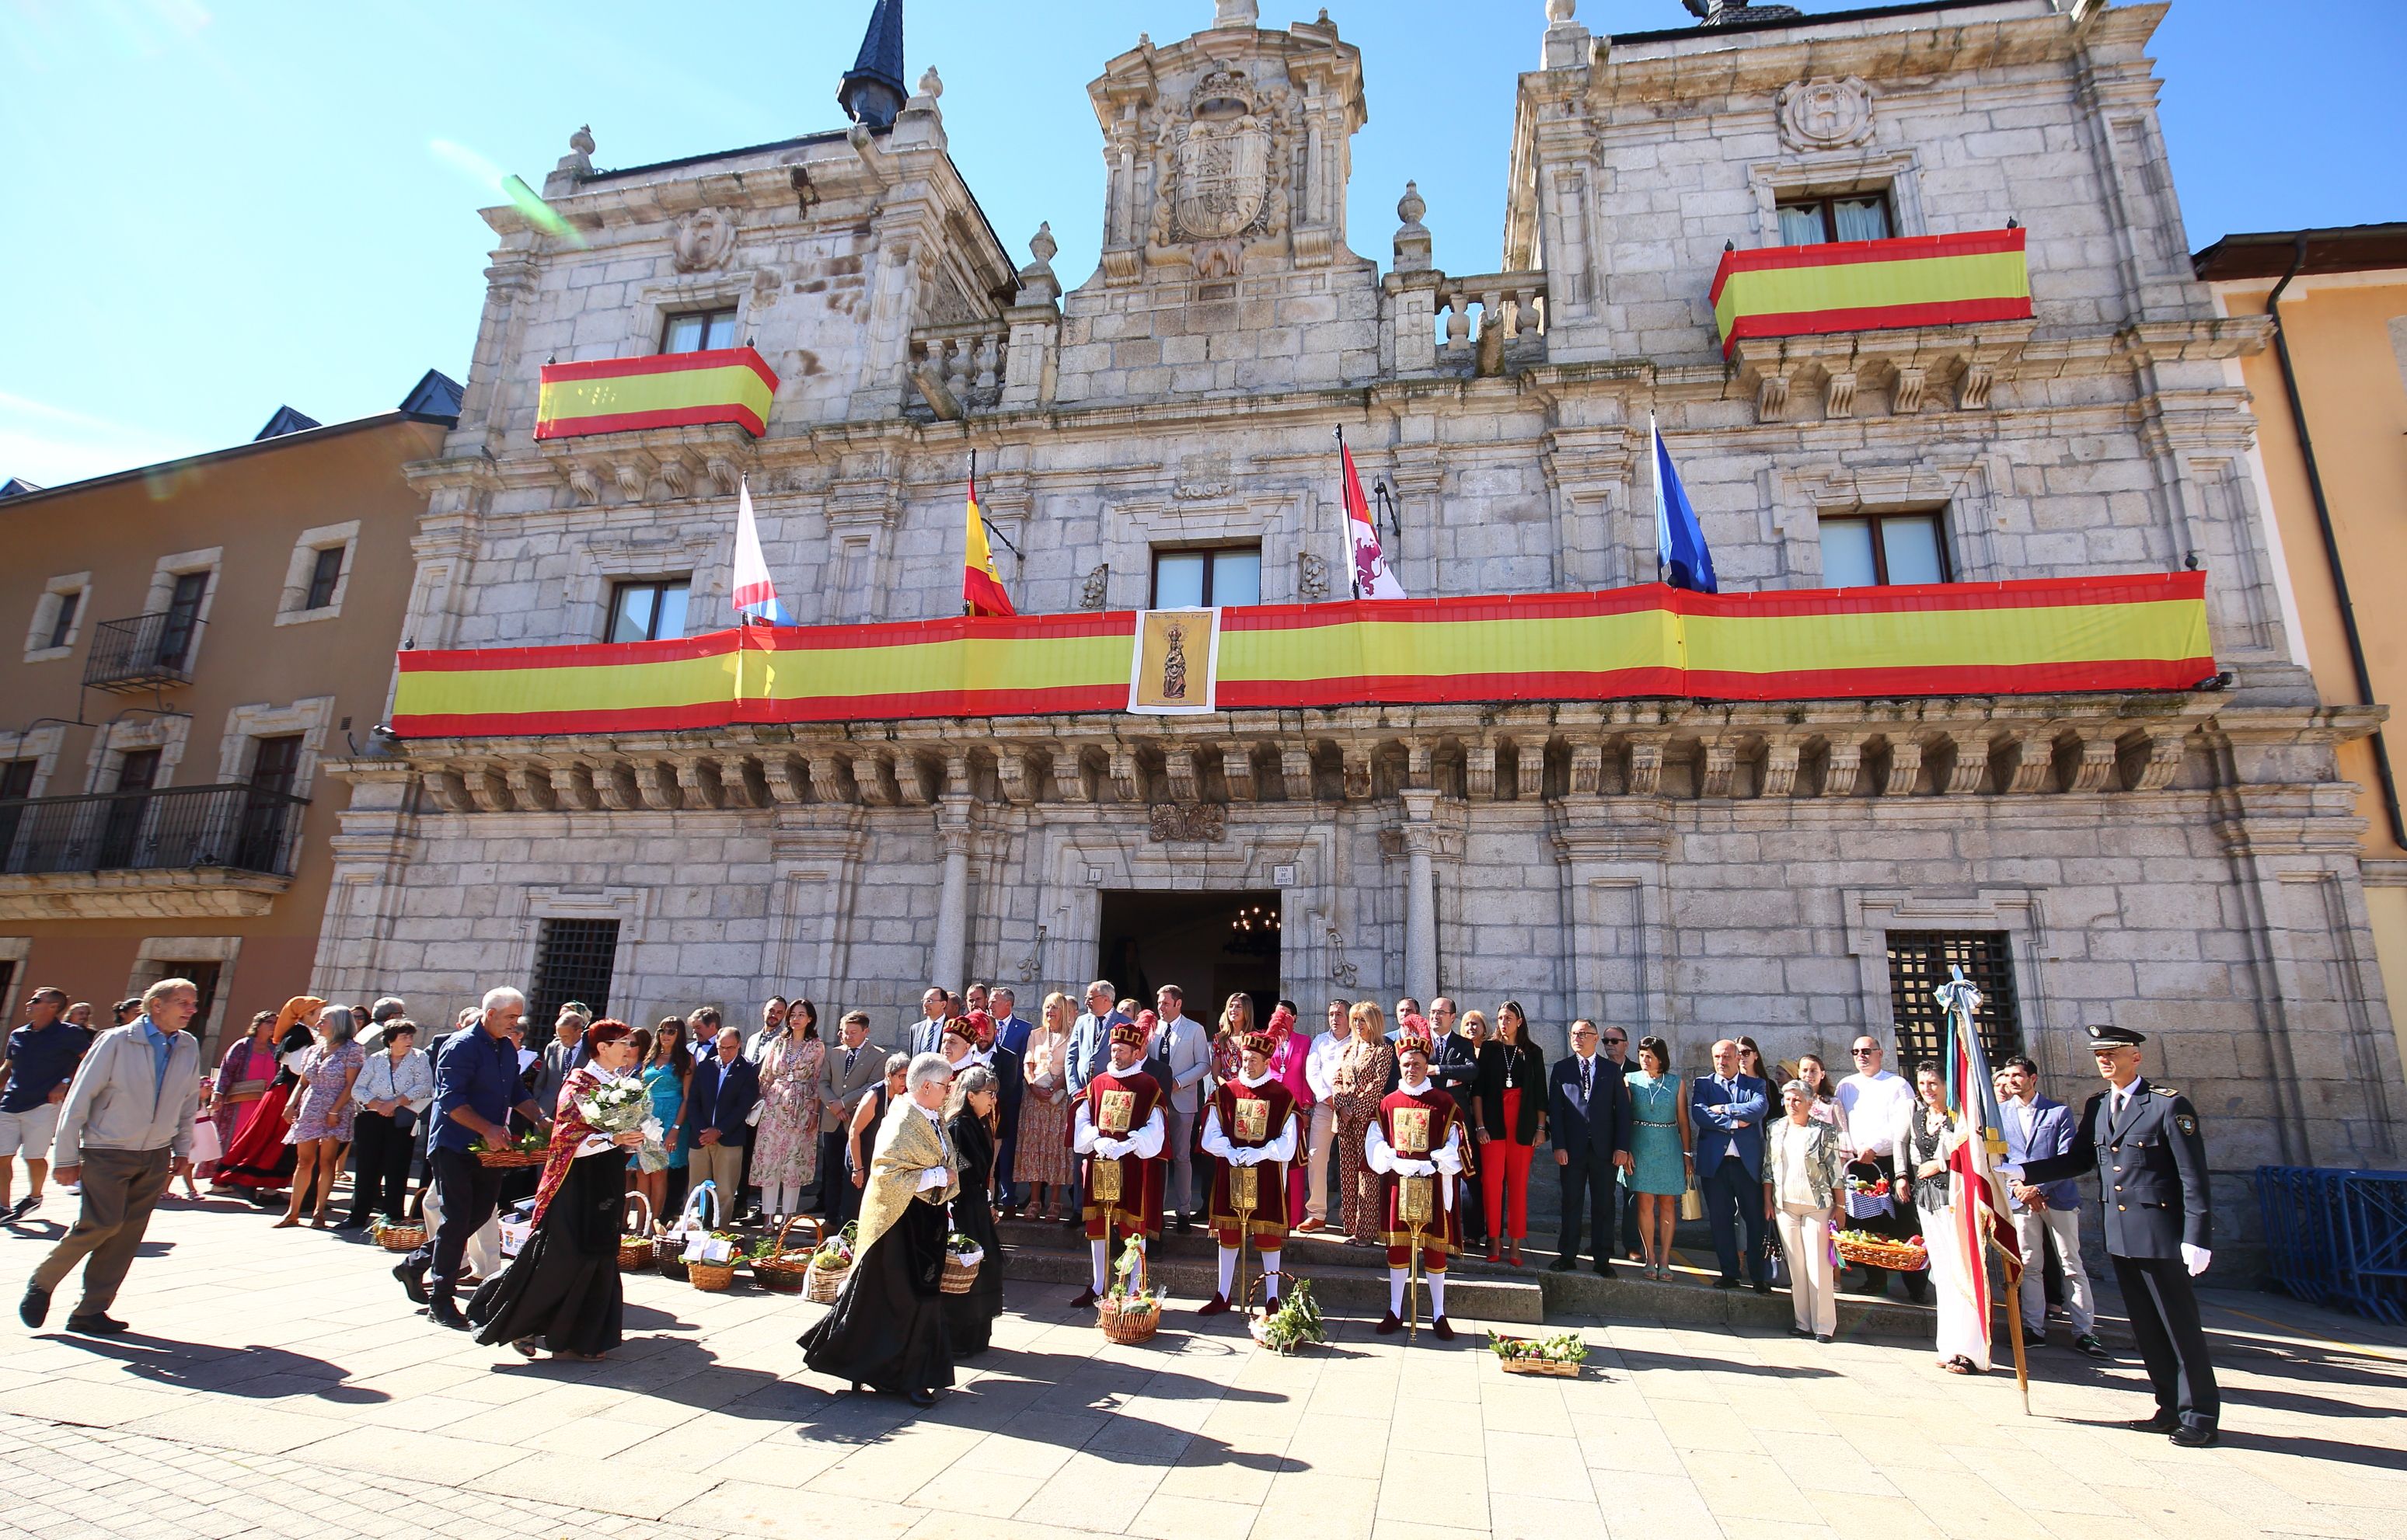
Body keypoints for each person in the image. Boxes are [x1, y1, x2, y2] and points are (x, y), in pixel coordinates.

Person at [2012, 1024, 2218, 1444]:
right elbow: (2080, 1159)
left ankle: (2199, 1415)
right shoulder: (2101, 1105)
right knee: (2146, 1326)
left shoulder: (2165, 1105)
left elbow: (2192, 1176)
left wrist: (2196, 1235)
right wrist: (2023, 1171)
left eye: (2113, 1053)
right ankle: (2167, 1407)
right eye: (2099, 1054)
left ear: (2136, 1057)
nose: (2105, 1060)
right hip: (2122, 1233)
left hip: (2161, 1234)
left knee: (2178, 1326)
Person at [19, 977, 204, 1335]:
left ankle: (90, 1311)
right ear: (157, 1005)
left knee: (128, 1234)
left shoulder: (188, 1046)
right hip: (107, 1149)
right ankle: (44, 1281)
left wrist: (182, 1149)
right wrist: (66, 1157)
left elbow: (187, 1102)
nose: (191, 1010)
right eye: (184, 1003)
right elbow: (79, 1099)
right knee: (101, 1224)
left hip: (155, 1152)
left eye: (193, 1004)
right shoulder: (116, 1041)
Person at [469, 1018, 647, 1361]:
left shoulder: (624, 1083)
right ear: (603, 1048)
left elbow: (622, 1131)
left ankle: (585, 1337)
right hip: (574, 1181)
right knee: (563, 1256)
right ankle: (518, 1322)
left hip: (605, 1177)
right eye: (623, 1042)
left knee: (601, 1252)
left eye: (629, 1042)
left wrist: (637, 1138)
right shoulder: (578, 1084)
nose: (629, 1048)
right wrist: (613, 1137)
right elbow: (565, 1139)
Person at [801, 1052, 962, 1408]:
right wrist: (939, 1176)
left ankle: (904, 1371)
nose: (948, 1092)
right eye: (944, 1086)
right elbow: (886, 1172)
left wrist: (947, 1191)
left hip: (925, 1220)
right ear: (925, 1086)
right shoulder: (902, 1119)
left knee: (919, 1295)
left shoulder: (933, 1116)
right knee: (901, 1298)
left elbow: (947, 1159)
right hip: (898, 1223)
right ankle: (905, 1376)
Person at [396, 987, 553, 1330]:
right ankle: (441, 1299)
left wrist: (539, 1118)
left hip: (490, 1150)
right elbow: (450, 1100)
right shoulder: (460, 1046)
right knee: (456, 1218)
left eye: (518, 1017)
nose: (516, 1023)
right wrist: (488, 1129)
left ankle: (415, 1264)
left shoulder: (506, 1048)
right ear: (490, 1013)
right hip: (454, 1144)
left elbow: (515, 1091)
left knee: (479, 1214)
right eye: (511, 1017)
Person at [1993, 1054, 2105, 1357]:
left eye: (2018, 1075)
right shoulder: (2000, 1114)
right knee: (2030, 1264)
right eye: (2008, 1075)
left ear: (2032, 1079)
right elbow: (2000, 1159)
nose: (2013, 1081)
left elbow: (2066, 1156)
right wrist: (2019, 1188)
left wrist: (2037, 1188)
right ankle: (2033, 1328)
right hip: (2020, 1198)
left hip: (2057, 1197)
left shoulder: (2057, 1113)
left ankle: (2085, 1332)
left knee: (2071, 1263)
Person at [1366, 1026, 1464, 1338]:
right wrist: (1394, 1160)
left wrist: (1436, 1162)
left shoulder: (1444, 1101)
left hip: (1433, 1183)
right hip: (1399, 1182)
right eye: (1406, 1064)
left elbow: (1457, 1141)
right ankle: (1395, 1309)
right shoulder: (1388, 1103)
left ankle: (1438, 1314)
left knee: (1434, 1248)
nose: (1411, 1070)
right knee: (1398, 1247)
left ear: (1427, 1067)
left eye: (1417, 1065)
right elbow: (1375, 1140)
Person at [1198, 1027, 1299, 1315]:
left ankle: (1272, 1297)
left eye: (1254, 1059)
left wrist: (1262, 1152)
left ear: (1267, 1062)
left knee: (1268, 1235)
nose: (1247, 1063)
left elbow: (1289, 1142)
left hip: (1266, 1172)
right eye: (1245, 1058)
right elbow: (1210, 1135)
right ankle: (1223, 1293)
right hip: (1232, 1171)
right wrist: (1230, 1152)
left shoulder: (1281, 1096)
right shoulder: (1226, 1093)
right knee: (1228, 1233)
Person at [1069, 1018, 1167, 1307]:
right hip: (1100, 1163)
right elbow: (1082, 1119)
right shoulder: (1098, 1082)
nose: (1116, 1055)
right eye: (1114, 1050)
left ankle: (1135, 1287)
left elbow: (1156, 1125)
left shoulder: (1148, 1084)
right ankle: (1099, 1285)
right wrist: (1097, 1140)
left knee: (1132, 1226)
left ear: (1137, 1053)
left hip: (1133, 1164)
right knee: (1097, 1225)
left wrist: (1128, 1145)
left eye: (1122, 1051)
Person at [1901, 1060, 1984, 1374]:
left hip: (1955, 1197)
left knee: (1962, 1268)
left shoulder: (1959, 1117)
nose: (1927, 1089)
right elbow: (1913, 1152)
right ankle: (1949, 1344)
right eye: (1922, 1084)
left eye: (1933, 1083)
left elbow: (1972, 1152)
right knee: (1943, 1271)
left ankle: (1970, 1350)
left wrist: (1942, 1164)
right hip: (1927, 1198)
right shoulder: (1920, 1115)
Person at [1835, 1034, 1924, 1301]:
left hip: (1888, 1161)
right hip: (1859, 1164)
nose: (1861, 1056)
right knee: (1866, 1224)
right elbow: (1841, 1123)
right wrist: (1850, 1148)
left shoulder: (1897, 1084)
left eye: (1866, 1051)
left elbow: (1902, 1126)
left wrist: (1874, 1146)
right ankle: (1875, 1279)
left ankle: (1916, 1285)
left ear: (1880, 1053)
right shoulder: (1846, 1085)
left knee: (1903, 1222)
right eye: (1856, 1051)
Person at [212, 997, 323, 1196]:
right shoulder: (300, 1034)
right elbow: (297, 1068)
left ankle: (237, 1179)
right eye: (318, 1012)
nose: (321, 1016)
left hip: (283, 1090)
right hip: (287, 1091)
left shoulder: (299, 1033)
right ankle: (253, 1182)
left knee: (263, 1135)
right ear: (307, 1014)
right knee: (275, 1138)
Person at [1547, 1019, 1632, 1276]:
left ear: (1595, 1038)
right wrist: (1558, 1145)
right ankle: (1567, 1254)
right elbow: (1556, 1111)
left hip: (1604, 1149)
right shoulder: (1562, 1069)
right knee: (1571, 1201)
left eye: (1583, 1034)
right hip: (1572, 1150)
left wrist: (1622, 1147)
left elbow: (1622, 1112)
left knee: (1604, 1204)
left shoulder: (1610, 1070)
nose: (1578, 1038)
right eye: (1574, 1034)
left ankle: (1602, 1258)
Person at [1763, 1078, 1846, 1341]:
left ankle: (1824, 1326)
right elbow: (1768, 1169)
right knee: (1796, 1266)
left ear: (1810, 1103)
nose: (1792, 1105)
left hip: (1817, 1206)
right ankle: (1803, 1322)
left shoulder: (1824, 1131)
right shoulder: (1775, 1128)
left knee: (1819, 1266)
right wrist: (1768, 1201)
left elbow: (1835, 1172)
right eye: (1787, 1100)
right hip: (1785, 1205)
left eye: (1798, 1099)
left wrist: (1841, 1205)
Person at [2, 986, 89, 1221]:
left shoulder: (70, 1034)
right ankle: (3, 1206)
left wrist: (64, 1082)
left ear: (53, 1007)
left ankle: (34, 1197)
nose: (29, 1003)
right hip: (10, 1102)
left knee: (32, 1157)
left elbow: (90, 1063)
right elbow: (9, 1066)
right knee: (2, 1156)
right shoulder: (19, 1034)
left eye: (36, 1000)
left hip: (43, 1105)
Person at [1691, 1038, 1770, 1293]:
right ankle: (1729, 1273)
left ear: (1738, 1058)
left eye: (1726, 1057)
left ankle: (1759, 1276)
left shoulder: (1755, 1084)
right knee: (1720, 1221)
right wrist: (1734, 1122)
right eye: (1717, 1058)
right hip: (1716, 1165)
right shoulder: (1703, 1084)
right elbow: (1700, 1114)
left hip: (1746, 1165)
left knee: (1756, 1221)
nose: (1722, 1062)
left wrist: (1725, 1108)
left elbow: (1758, 1109)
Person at [276, 1005, 364, 1228]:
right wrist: (291, 1103)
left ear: (339, 1023)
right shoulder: (313, 1050)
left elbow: (351, 1084)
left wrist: (334, 1110)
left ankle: (319, 1212)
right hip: (311, 1106)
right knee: (304, 1161)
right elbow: (304, 1082)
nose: (319, 1023)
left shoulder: (352, 1050)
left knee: (327, 1161)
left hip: (336, 1108)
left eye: (325, 1020)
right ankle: (293, 1212)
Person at [1474, 1000, 1546, 1266]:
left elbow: (1541, 1094)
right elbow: (1478, 1092)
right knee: (1491, 1183)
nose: (1504, 1022)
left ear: (1520, 1021)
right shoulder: (1490, 1050)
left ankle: (1516, 1242)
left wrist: (1540, 1128)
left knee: (1518, 1185)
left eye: (1509, 1018)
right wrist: (1480, 1126)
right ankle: (1494, 1239)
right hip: (1492, 1124)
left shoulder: (1533, 1052)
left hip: (1523, 1123)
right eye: (1500, 1017)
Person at [344, 1019, 432, 1229]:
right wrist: (377, 1104)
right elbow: (358, 1088)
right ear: (391, 1040)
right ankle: (357, 1215)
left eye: (411, 1036)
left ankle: (393, 1214)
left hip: (401, 1117)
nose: (409, 1040)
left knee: (397, 1166)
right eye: (404, 1037)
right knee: (366, 1166)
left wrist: (394, 1103)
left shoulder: (419, 1058)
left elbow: (424, 1086)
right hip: (372, 1117)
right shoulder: (375, 1059)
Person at [942, 1063, 1004, 1357]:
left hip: (977, 1206)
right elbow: (960, 1170)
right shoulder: (958, 1126)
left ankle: (978, 1335)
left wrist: (988, 1201)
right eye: (988, 1093)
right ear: (970, 1096)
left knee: (985, 1269)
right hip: (963, 1210)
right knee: (965, 1270)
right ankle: (959, 1338)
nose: (993, 1099)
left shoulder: (980, 1124)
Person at [1624, 1036, 1692, 1280]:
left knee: (1666, 1203)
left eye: (1649, 1055)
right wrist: (1626, 1149)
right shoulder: (1630, 1080)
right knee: (1644, 1203)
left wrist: (1687, 1153)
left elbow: (1684, 1121)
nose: (1645, 1059)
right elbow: (1623, 1119)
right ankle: (1650, 1257)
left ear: (1661, 1058)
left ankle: (1665, 1260)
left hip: (1669, 1146)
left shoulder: (1676, 1083)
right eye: (1642, 1055)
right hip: (1640, 1145)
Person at [1144, 986, 1210, 1232]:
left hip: (1182, 1101)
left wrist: (1178, 1082)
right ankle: (1156, 1211)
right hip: (1154, 1104)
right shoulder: (1151, 1030)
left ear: (1178, 1004)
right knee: (1156, 1157)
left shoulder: (1194, 1029)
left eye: (1166, 1003)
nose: (1161, 1007)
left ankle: (1183, 1212)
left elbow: (1204, 1064)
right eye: (1159, 1003)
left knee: (1182, 1157)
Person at [1331, 1002, 1396, 1249]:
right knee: (1347, 1173)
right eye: (1355, 1020)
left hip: (1366, 1120)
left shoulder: (1382, 1050)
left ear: (1374, 1022)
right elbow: (1338, 1079)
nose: (1358, 1025)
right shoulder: (1349, 1049)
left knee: (1367, 1175)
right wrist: (1342, 1106)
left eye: (1362, 1020)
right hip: (1345, 1120)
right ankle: (1352, 1226)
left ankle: (1367, 1231)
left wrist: (1355, 1110)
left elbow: (1377, 1085)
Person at [753, 999, 824, 1222]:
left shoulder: (816, 1046)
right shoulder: (778, 1043)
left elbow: (818, 1081)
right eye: (793, 1015)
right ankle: (767, 1216)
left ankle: (787, 1216)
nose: (795, 1019)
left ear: (810, 1018)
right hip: (774, 1108)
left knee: (793, 1161)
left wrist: (814, 1112)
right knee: (770, 1160)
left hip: (801, 1108)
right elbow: (766, 1076)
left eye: (801, 1015)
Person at [682, 1026, 759, 1217]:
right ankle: (694, 1232)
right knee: (696, 1191)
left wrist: (719, 1130)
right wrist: (703, 1130)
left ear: (739, 1045)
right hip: (700, 1139)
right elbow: (693, 1100)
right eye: (721, 1047)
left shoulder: (749, 1069)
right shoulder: (706, 1066)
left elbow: (744, 1106)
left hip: (729, 1138)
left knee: (725, 1192)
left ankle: (721, 1233)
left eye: (730, 1048)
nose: (725, 1052)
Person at [1017, 992, 1077, 1223]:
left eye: (1055, 1008)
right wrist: (1033, 1085)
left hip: (1059, 1100)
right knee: (1035, 1150)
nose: (1050, 1012)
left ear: (1063, 1011)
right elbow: (1028, 1063)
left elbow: (1071, 1066)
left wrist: (1055, 1087)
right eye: (1047, 1007)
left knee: (1055, 1150)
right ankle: (1034, 1202)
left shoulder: (1072, 1036)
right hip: (1035, 1100)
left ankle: (1055, 1202)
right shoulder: (1036, 1035)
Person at [817, 1011, 884, 1219]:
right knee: (832, 1171)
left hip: (858, 1121)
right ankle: (830, 1216)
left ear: (866, 1031)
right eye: (845, 1033)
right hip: (832, 1120)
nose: (849, 1037)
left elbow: (872, 1085)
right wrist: (833, 1106)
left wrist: (844, 1103)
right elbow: (822, 1082)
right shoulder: (834, 1053)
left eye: (854, 1032)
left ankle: (850, 1218)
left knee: (853, 1171)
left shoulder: (879, 1056)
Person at [202, 1011, 279, 1186]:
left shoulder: (275, 1049)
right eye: (269, 1022)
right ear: (258, 1024)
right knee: (232, 1140)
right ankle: (220, 1180)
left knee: (254, 1142)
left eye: (276, 1022)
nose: (273, 1026)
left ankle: (244, 1178)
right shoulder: (242, 1046)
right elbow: (226, 1071)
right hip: (239, 1103)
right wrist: (218, 1094)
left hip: (263, 1104)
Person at [1258, 1002, 1315, 1228]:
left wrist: (1308, 1106)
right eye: (1277, 1014)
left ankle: (1293, 1217)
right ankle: (1268, 1211)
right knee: (1268, 1159)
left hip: (1296, 1108)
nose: (1281, 1018)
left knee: (1296, 1161)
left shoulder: (1304, 1041)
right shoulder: (1266, 1038)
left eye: (1286, 1015)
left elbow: (1306, 1074)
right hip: (1269, 1107)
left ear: (1295, 1018)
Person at [1431, 1005, 1486, 1240]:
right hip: (1430, 1120)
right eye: (1433, 1012)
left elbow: (1472, 1071)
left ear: (1453, 1017)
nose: (1435, 1016)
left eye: (1441, 1012)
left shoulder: (1462, 1043)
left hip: (1458, 1121)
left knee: (1467, 1175)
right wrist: (1451, 1079)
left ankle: (1471, 1234)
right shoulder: (1422, 1042)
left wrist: (1439, 1071)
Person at [1296, 998, 1351, 1234]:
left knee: (1351, 1161)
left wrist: (1346, 1105)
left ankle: (1351, 1215)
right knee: (1316, 1156)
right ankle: (1316, 1214)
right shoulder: (1320, 1041)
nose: (1334, 1019)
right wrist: (1329, 1099)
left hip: (1351, 1110)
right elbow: (1312, 1072)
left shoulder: (1358, 1041)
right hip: (1325, 1107)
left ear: (1349, 1017)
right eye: (1331, 1014)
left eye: (1339, 1014)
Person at [634, 1019, 692, 1225]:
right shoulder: (651, 1056)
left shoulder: (685, 1059)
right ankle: (640, 1223)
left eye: (671, 1031)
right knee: (642, 1172)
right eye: (661, 1030)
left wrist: (676, 1129)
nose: (665, 1035)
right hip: (647, 1115)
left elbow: (687, 1097)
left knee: (659, 1172)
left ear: (680, 1035)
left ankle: (654, 1223)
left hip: (670, 1116)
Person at [845, 1054, 910, 1228]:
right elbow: (854, 1131)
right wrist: (858, 1168)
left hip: (880, 1159)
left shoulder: (903, 1097)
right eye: (901, 1076)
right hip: (861, 1155)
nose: (905, 1081)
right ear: (889, 1075)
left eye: (908, 1076)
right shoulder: (874, 1096)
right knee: (854, 1209)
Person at [987, 986, 1032, 1211]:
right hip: (984, 1099)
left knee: (1008, 1148)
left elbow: (1024, 1063)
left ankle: (1008, 1197)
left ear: (1009, 1004)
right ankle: (989, 1197)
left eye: (995, 1001)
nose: (990, 1005)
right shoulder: (985, 1027)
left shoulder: (1024, 1029)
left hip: (1010, 1099)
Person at [1066, 980, 1123, 1097]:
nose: (1086, 1002)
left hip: (1110, 1094)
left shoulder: (1125, 1024)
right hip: (1081, 1093)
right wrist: (1074, 1089)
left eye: (1090, 998)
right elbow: (1071, 1058)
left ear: (1105, 999)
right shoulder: (1082, 1021)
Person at [907, 988, 951, 1058]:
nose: (925, 1005)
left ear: (943, 1004)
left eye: (929, 1001)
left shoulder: (953, 1027)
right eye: (924, 1001)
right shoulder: (916, 1028)